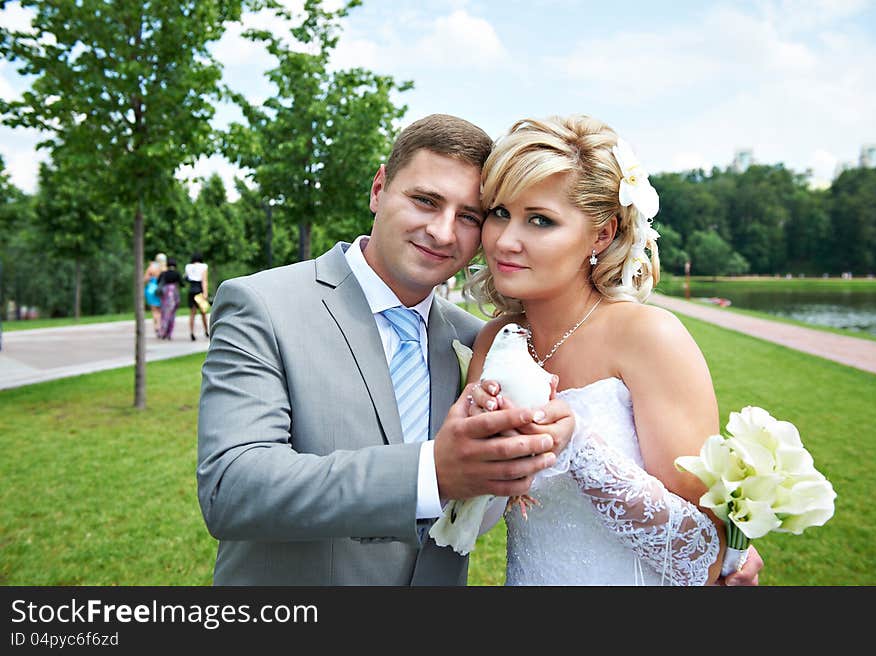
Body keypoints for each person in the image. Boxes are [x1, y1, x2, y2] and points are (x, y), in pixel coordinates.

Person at [196, 114, 575, 586]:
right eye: (425, 201)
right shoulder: (263, 305)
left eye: (468, 217)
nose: (441, 231)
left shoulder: (477, 342)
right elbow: (231, 490)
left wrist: (521, 451)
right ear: (379, 188)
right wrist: (431, 472)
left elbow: (475, 508)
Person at [464, 114, 763, 585]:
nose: (505, 239)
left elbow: (703, 555)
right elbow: (471, 514)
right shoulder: (494, 341)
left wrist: (577, 447)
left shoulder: (649, 337)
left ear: (602, 235)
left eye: (540, 220)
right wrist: (473, 446)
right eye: (499, 212)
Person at [184, 252, 209, 341]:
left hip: (191, 290)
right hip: (199, 291)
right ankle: (206, 330)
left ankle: (191, 332)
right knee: (203, 312)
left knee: (192, 313)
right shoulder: (203, 266)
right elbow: (204, 280)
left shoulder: (188, 266)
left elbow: (186, 277)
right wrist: (205, 293)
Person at [156, 257, 183, 339]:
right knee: (172, 315)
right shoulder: (177, 273)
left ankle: (162, 331)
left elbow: (158, 282)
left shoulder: (164, 273)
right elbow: (182, 284)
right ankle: (169, 333)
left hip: (165, 294)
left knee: (164, 314)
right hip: (174, 294)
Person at [143, 252, 166, 337]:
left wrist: (151, 278)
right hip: (161, 290)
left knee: (154, 310)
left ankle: (157, 326)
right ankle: (160, 326)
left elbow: (145, 279)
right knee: (160, 310)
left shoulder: (151, 267)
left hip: (151, 289)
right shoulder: (164, 268)